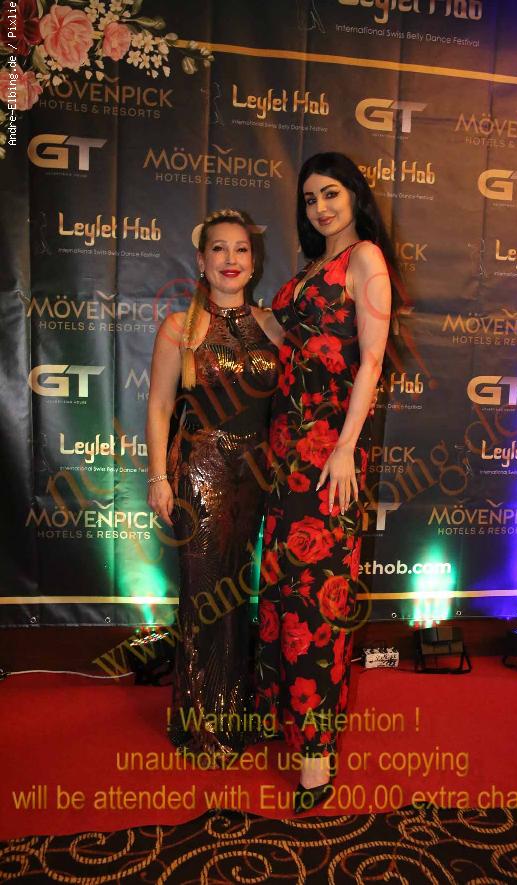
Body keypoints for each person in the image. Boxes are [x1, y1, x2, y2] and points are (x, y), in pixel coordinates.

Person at [254, 152, 394, 812]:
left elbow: (370, 361)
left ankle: (316, 760)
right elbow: (292, 342)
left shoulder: (365, 259)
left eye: (331, 193)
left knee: (318, 602)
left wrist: (344, 449)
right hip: (285, 449)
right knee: (284, 591)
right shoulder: (311, 269)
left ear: (355, 195)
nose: (320, 208)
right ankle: (288, 726)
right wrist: (242, 310)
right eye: (310, 199)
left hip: (329, 452)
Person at [146, 208, 281, 760]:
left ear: (253, 261)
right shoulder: (180, 328)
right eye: (219, 249)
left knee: (241, 593)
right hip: (201, 470)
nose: (231, 259)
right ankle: (203, 724)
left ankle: (238, 712)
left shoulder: (273, 326)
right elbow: (159, 407)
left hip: (257, 477)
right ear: (201, 261)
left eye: (241, 249)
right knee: (205, 595)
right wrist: (159, 478)